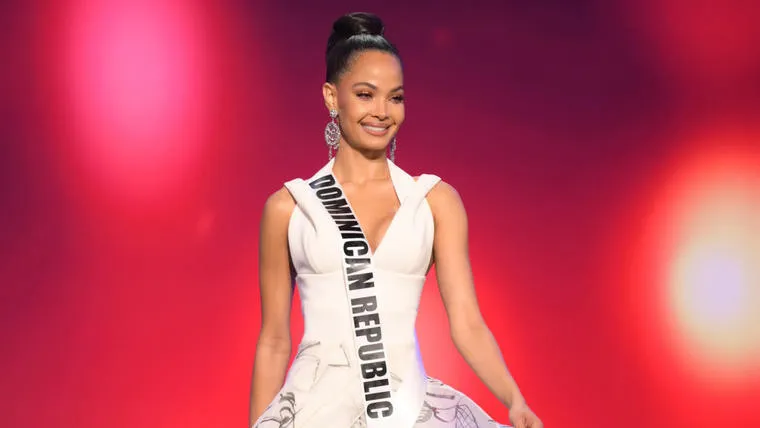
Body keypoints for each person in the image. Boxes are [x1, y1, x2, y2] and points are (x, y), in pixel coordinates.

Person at [249, 12, 543, 428]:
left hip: (405, 407)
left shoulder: (433, 201)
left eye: (396, 98)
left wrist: (513, 398)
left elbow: (467, 323)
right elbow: (274, 340)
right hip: (313, 412)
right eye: (365, 95)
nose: (382, 112)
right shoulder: (290, 207)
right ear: (332, 97)